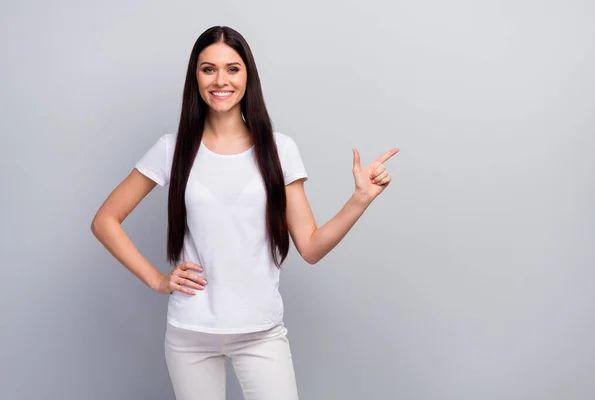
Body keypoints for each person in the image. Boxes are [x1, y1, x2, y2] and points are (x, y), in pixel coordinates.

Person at [91, 25, 399, 400]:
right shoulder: (172, 149)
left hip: (261, 332)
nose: (221, 80)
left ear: (247, 75)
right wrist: (158, 280)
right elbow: (105, 221)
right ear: (196, 77)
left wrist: (360, 200)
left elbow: (312, 247)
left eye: (232, 68)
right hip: (191, 334)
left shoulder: (279, 149)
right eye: (208, 69)